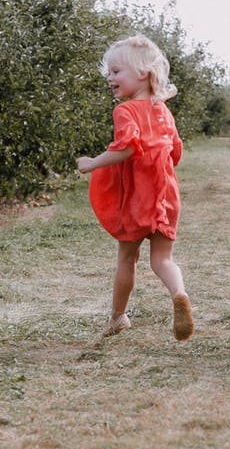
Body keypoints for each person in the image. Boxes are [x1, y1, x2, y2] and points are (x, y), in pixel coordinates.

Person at [76, 35, 194, 341]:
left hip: (137, 198)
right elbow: (176, 153)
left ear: (142, 73)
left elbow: (128, 148)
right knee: (163, 260)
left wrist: (93, 162)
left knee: (127, 259)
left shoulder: (125, 111)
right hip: (166, 194)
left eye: (116, 71)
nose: (109, 78)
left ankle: (118, 317)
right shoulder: (163, 111)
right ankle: (179, 293)